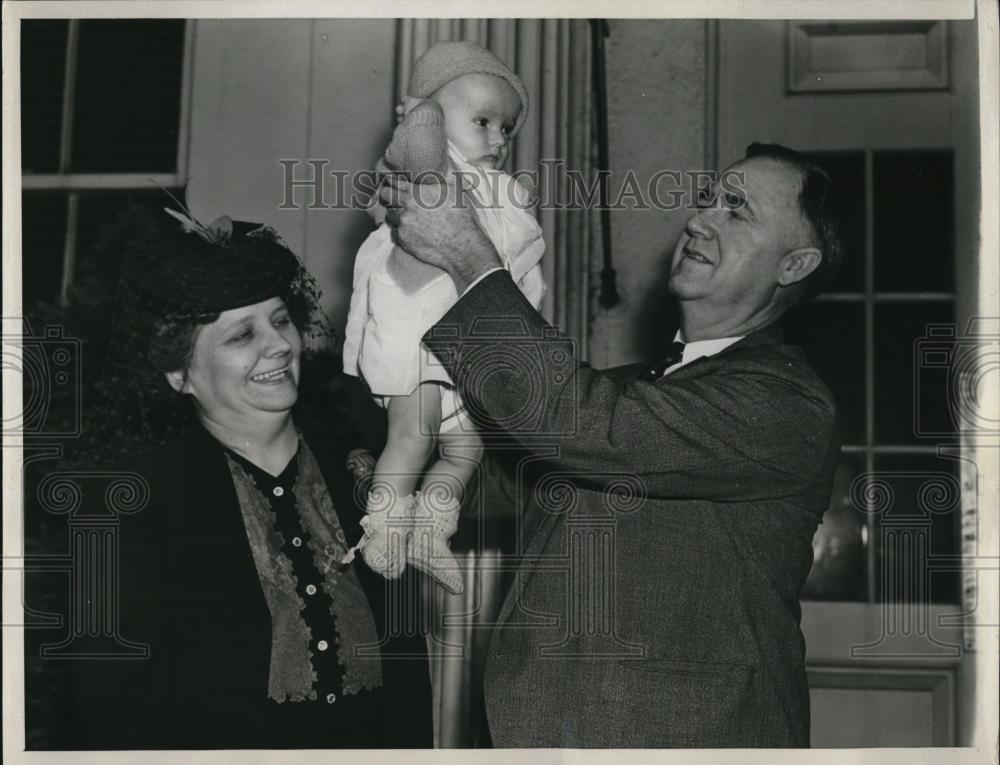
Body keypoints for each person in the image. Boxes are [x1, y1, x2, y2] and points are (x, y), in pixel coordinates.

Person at [379, 142, 848, 747]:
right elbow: (498, 482)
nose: (699, 218)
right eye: (708, 199)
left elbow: (573, 420)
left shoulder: (787, 404)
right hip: (553, 730)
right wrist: (389, 416)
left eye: (737, 209)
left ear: (794, 265)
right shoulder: (635, 389)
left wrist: (471, 255)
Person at [50, 211, 433, 749]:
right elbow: (118, 711)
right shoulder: (125, 506)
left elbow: (408, 671)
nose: (279, 345)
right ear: (179, 373)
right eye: (241, 335)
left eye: (281, 321)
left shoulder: (366, 476)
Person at [342, 41, 545, 595]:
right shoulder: (425, 165)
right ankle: (382, 529)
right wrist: (421, 115)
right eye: (482, 120)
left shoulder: (502, 191)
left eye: (507, 127)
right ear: (427, 113)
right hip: (418, 328)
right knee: (413, 434)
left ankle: (431, 528)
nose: (499, 138)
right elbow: (417, 151)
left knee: (467, 449)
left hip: (472, 341)